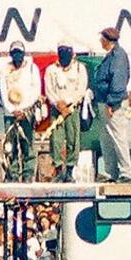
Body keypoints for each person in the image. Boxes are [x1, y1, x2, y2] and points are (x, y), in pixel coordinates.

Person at [93, 27, 131, 181]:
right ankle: (111, 172)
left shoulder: (118, 57)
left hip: (113, 103)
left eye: (102, 39)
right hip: (104, 101)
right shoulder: (110, 56)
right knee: (107, 139)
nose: (100, 41)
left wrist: (112, 102)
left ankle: (126, 172)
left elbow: (118, 81)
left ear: (107, 40)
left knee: (118, 137)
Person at [42, 43, 87, 181]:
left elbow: (81, 88)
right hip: (57, 109)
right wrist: (58, 104)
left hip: (72, 108)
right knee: (55, 139)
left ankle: (70, 170)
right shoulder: (51, 70)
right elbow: (49, 89)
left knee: (73, 139)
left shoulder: (79, 68)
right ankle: (58, 168)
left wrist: (69, 104)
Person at [0, 43, 42, 182]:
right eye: (14, 53)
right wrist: (13, 110)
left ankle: (28, 173)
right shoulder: (5, 70)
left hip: (26, 112)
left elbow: (36, 90)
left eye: (19, 53)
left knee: (27, 142)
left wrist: (24, 109)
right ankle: (12, 173)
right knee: (10, 145)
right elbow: (3, 91)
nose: (17, 56)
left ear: (23, 54)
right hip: (10, 113)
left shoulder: (31, 68)